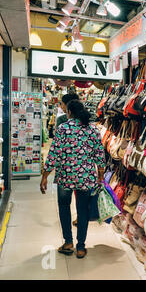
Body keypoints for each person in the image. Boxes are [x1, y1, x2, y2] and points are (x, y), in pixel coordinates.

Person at [40, 100, 105, 259]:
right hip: (85, 177)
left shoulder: (63, 128)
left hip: (65, 176)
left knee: (64, 206)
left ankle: (68, 242)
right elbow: (99, 155)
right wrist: (100, 175)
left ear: (69, 112)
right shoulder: (93, 129)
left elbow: (54, 154)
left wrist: (45, 176)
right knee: (83, 210)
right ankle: (81, 247)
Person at [56, 92, 80, 227]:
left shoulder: (61, 121)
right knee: (80, 196)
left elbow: (57, 146)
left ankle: (68, 239)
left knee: (64, 201)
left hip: (65, 167)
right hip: (83, 166)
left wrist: (47, 171)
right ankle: (79, 218)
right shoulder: (87, 120)